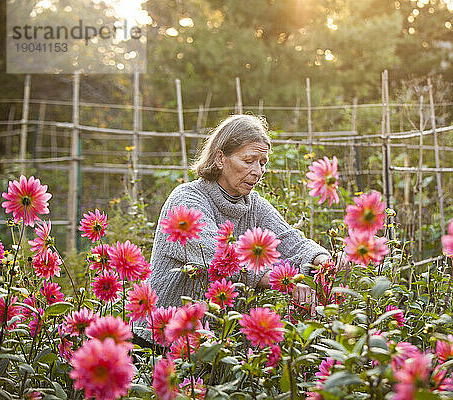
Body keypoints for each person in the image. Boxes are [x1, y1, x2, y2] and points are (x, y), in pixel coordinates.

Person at [134, 115, 333, 346]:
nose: (258, 171)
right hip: (160, 338)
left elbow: (290, 240)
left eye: (262, 163)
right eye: (249, 160)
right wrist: (283, 281)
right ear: (220, 159)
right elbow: (219, 256)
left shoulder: (253, 204)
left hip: (214, 343)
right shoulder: (187, 198)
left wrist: (323, 260)